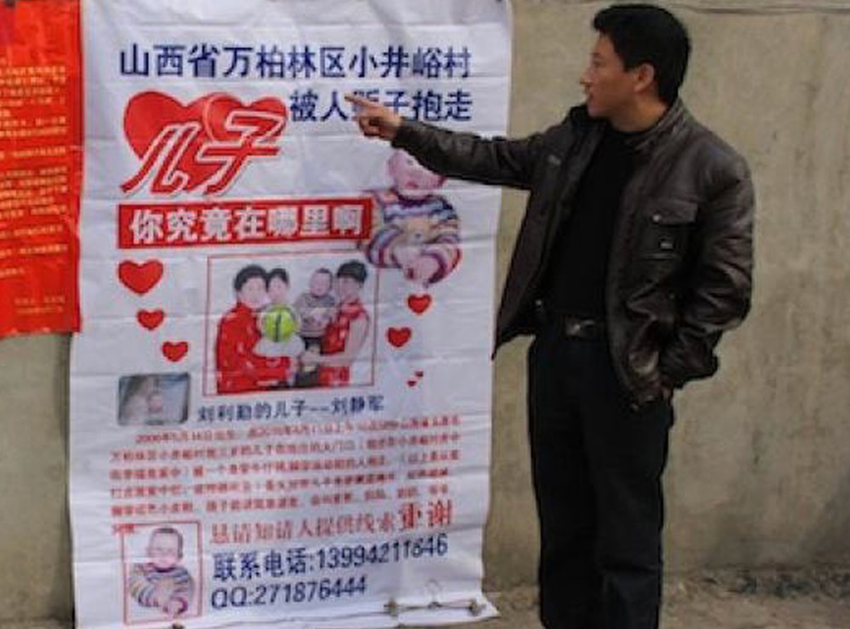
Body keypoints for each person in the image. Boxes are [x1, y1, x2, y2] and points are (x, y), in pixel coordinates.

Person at [348, 5, 753, 629]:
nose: (585, 75)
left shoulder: (710, 167)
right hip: (558, 360)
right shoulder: (575, 140)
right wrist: (404, 131)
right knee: (565, 532)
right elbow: (493, 158)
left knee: (626, 540)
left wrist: (665, 371)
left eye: (598, 62)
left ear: (641, 76)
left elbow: (725, 289)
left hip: (628, 374)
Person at [364, 150, 462, 286]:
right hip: (379, 283)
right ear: (391, 167)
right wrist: (398, 248)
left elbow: (450, 240)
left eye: (428, 167)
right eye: (409, 162)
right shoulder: (375, 199)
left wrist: (433, 261)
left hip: (420, 286)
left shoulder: (441, 208)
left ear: (440, 181)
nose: (416, 173)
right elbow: (368, 232)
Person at [215, 264, 292, 393]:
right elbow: (238, 361)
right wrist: (270, 376)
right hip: (240, 390)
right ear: (238, 293)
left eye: (260, 288)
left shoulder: (267, 316)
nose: (256, 294)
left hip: (269, 387)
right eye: (250, 288)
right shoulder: (231, 321)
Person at [302, 261, 371, 387]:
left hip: (335, 380)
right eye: (338, 281)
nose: (340, 286)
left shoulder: (359, 317)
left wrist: (316, 359)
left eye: (346, 282)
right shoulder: (335, 308)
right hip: (316, 375)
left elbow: (347, 359)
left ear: (359, 285)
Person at [126, 526, 194, 618]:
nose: (164, 554)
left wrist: (178, 602)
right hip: (144, 611)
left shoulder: (181, 573)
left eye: (170, 551)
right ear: (148, 552)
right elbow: (134, 584)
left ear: (179, 556)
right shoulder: (141, 568)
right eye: (158, 549)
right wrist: (155, 595)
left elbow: (187, 590)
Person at [292, 268, 337, 387]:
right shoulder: (303, 297)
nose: (319, 286)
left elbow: (332, 314)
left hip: (319, 338)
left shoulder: (330, 300)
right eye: (317, 282)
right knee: (300, 361)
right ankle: (299, 382)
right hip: (302, 336)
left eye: (324, 283)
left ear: (330, 287)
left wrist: (326, 319)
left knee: (314, 363)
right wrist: (312, 315)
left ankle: (313, 382)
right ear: (310, 283)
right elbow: (298, 312)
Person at [254, 268, 306, 361]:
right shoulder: (266, 310)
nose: (276, 292)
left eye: (279, 287)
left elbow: (297, 326)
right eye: (271, 289)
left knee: (295, 351)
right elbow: (261, 326)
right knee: (265, 353)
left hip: (289, 340)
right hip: (271, 341)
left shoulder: (291, 309)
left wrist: (287, 331)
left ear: (287, 286)